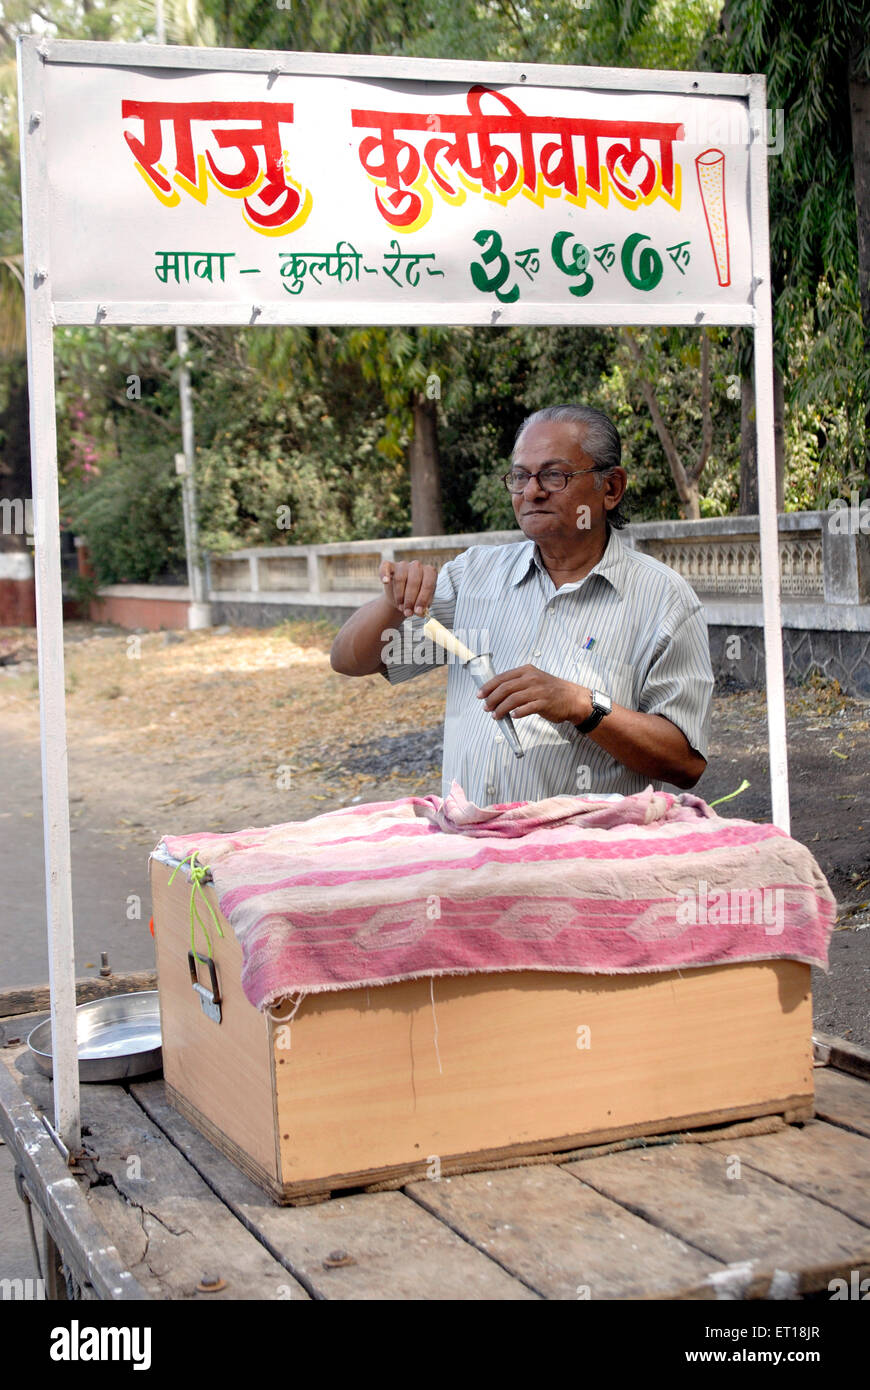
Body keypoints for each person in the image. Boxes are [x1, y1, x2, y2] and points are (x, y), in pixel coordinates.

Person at [330, 404, 714, 805]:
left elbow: (686, 763)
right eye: (520, 476)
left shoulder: (663, 599)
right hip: (473, 851)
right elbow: (348, 660)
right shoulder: (473, 577)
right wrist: (392, 602)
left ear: (611, 488)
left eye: (554, 474)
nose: (532, 491)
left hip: (582, 860)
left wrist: (583, 705)